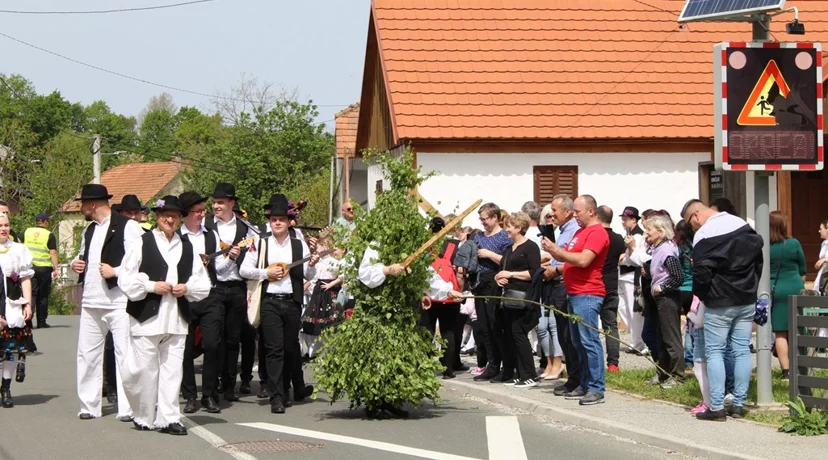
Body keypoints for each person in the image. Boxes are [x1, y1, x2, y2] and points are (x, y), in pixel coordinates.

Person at [119, 196, 211, 434]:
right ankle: (143, 415)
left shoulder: (187, 246)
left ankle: (169, 418)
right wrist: (151, 286)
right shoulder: (142, 242)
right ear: (157, 217)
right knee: (144, 371)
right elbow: (126, 279)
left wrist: (187, 288)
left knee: (172, 371)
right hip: (147, 318)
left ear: (180, 218)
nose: (169, 220)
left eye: (174, 216)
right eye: (164, 216)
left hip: (177, 318)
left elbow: (203, 282)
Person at [682, 199, 763, 421]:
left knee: (715, 352)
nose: (692, 229)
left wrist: (704, 295)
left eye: (690, 224)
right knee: (742, 350)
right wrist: (751, 289)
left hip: (719, 301)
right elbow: (758, 262)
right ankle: (739, 404)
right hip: (746, 299)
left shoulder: (705, 234)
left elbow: (701, 273)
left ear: (695, 215)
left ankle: (716, 407)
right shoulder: (742, 225)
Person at [70, 184, 144, 421]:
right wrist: (76, 263)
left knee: (125, 354)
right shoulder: (88, 231)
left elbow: (142, 260)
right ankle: (89, 406)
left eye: (82, 203)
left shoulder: (129, 227)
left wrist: (117, 271)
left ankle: (128, 407)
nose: (81, 208)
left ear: (92, 204)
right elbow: (83, 255)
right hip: (91, 300)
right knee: (87, 354)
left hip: (118, 300)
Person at [240, 196, 319, 414]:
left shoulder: (298, 244)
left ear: (289, 222)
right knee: (274, 350)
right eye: (274, 219)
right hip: (270, 302)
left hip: (292, 302)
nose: (277, 223)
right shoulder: (260, 243)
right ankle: (276, 396)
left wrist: (313, 264)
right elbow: (244, 270)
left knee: (289, 349)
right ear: (269, 222)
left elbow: (308, 273)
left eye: (281, 219)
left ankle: (285, 390)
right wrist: (266, 273)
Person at [544, 195, 610, 406]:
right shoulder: (581, 231)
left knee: (589, 341)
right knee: (577, 342)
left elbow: (583, 260)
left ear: (591, 211)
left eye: (578, 212)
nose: (575, 215)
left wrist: (557, 251)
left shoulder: (597, 232)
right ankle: (584, 383)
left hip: (588, 292)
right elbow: (569, 257)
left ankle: (596, 388)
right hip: (574, 291)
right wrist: (556, 253)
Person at [178, 191, 232, 414]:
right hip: (185, 295)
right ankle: (190, 395)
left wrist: (229, 258)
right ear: (186, 214)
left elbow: (219, 269)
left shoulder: (211, 235)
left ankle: (209, 395)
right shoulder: (176, 237)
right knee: (186, 348)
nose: (202, 215)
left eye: (203, 210)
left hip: (210, 294)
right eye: (198, 211)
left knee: (212, 345)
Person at [203, 182, 255, 402]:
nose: (216, 206)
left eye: (221, 202)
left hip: (236, 287)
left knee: (233, 338)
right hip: (213, 288)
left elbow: (256, 250)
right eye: (214, 202)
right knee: (214, 340)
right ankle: (212, 384)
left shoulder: (246, 228)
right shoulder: (206, 226)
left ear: (232, 203)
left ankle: (229, 384)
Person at [494, 212, 541, 388]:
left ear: (519, 228)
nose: (507, 229)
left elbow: (535, 272)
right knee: (512, 335)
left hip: (523, 297)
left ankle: (530, 374)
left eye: (510, 226)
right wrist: (498, 277)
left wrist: (512, 274)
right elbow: (501, 271)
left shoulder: (530, 248)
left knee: (519, 334)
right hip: (507, 298)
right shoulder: (508, 249)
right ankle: (520, 373)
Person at [541, 195, 581, 395]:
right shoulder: (564, 230)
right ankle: (573, 379)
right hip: (556, 284)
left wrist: (555, 270)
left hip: (564, 283)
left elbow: (574, 259)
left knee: (569, 335)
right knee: (565, 336)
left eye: (555, 210)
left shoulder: (575, 230)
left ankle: (577, 379)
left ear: (567, 212)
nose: (551, 214)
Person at [471, 203, 512, 382]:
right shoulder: (478, 236)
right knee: (484, 327)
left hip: (495, 282)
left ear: (495, 218)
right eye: (481, 219)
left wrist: (489, 254)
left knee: (497, 326)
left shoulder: (504, 237)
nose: (483, 223)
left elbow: (510, 261)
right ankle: (492, 364)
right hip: (479, 281)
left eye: (485, 219)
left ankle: (506, 366)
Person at [643, 215, 685, 387]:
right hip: (660, 299)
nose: (646, 234)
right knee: (661, 337)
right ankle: (663, 373)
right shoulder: (658, 248)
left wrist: (663, 287)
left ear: (660, 232)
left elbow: (678, 276)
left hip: (668, 298)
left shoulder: (667, 250)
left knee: (671, 338)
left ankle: (678, 376)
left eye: (649, 230)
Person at [0, 212, 34, 408]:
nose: (4, 229)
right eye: (0, 225)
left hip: (12, 304)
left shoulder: (18, 249)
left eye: (6, 225)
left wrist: (27, 303)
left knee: (11, 349)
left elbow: (25, 278)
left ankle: (6, 387)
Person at [768, 211, 806, 380]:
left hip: (776, 289)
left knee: (780, 332)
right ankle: (802, 366)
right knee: (798, 327)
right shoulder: (794, 243)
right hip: (795, 286)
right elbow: (803, 269)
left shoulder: (766, 246)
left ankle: (786, 371)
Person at [596, 206, 625, 372]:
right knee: (610, 326)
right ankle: (613, 363)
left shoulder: (596, 236)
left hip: (596, 284)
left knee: (589, 324)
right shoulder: (618, 238)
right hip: (612, 284)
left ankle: (595, 362)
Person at [618, 206, 647, 355]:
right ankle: (636, 339)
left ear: (633, 220)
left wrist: (623, 258)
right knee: (623, 308)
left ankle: (639, 343)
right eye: (622, 219)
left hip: (631, 276)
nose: (623, 222)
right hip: (622, 275)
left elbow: (634, 258)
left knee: (633, 309)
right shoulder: (629, 234)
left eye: (625, 219)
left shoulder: (638, 235)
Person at [22, 213, 59, 328]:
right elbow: (52, 252)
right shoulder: (49, 235)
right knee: (43, 295)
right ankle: (41, 322)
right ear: (45, 222)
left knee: (31, 294)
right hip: (44, 269)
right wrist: (56, 268)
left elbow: (17, 243)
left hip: (30, 267)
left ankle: (28, 320)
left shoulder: (26, 232)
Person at [813, 220, 828, 295]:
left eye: (821, 229)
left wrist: (825, 260)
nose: (819, 231)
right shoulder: (824, 243)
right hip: (823, 271)